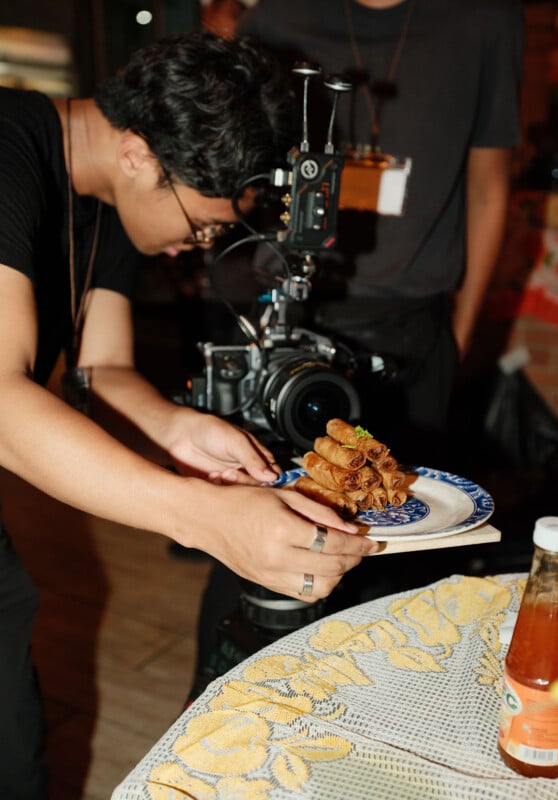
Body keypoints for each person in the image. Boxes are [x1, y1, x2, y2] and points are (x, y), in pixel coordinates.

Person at [0, 30, 378, 799]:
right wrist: (203, 517)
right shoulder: (6, 150)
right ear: (139, 152)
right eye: (203, 224)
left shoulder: (104, 191)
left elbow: (100, 369)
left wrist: (177, 428)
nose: (201, 245)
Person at [181, 0, 524, 702]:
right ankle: (222, 725)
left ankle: (380, 731)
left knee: (410, 553)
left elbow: (489, 187)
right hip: (291, 319)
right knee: (261, 547)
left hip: (413, 327)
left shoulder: (485, 19)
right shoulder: (274, 15)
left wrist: (456, 333)